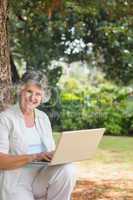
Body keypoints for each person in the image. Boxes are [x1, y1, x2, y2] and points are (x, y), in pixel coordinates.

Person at [0, 71, 76, 200]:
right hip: (16, 181)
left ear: (42, 97)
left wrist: (57, 154)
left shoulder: (43, 118)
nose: (33, 98)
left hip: (41, 177)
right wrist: (34, 156)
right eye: (29, 91)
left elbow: (50, 151)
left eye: (38, 94)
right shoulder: (5, 118)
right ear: (20, 90)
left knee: (67, 169)